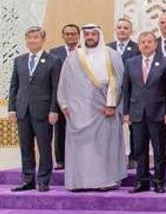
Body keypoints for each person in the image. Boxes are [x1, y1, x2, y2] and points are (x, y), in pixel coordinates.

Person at [56, 24, 125, 191]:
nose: (90, 37)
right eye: (87, 34)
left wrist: (111, 104)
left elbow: (118, 82)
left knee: (102, 147)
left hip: (103, 110)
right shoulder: (73, 57)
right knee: (82, 149)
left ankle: (104, 182)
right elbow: (63, 82)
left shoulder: (111, 55)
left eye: (93, 34)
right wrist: (63, 103)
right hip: (78, 112)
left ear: (99, 35)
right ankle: (79, 182)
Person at [120, 30, 166, 194]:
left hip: (158, 113)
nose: (146, 44)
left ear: (155, 44)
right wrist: (127, 112)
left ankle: (159, 181)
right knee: (139, 150)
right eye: (143, 42)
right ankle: (142, 181)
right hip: (137, 113)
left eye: (149, 42)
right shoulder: (131, 62)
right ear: (139, 45)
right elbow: (126, 89)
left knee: (159, 150)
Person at [7, 25, 60, 193]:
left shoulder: (53, 60)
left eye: (35, 37)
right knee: (25, 147)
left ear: (43, 39)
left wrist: (54, 110)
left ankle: (44, 180)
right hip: (23, 110)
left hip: (44, 111)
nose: (32, 41)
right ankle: (28, 180)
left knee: (44, 147)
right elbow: (14, 86)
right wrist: (12, 108)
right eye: (29, 38)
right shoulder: (19, 60)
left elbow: (55, 88)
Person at [48, 22, 80, 169]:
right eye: (67, 34)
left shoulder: (84, 51)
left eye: (73, 34)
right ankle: (60, 160)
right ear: (62, 36)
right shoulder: (55, 52)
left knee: (80, 129)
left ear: (78, 36)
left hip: (81, 97)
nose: (70, 36)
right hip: (62, 96)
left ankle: (78, 159)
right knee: (60, 129)